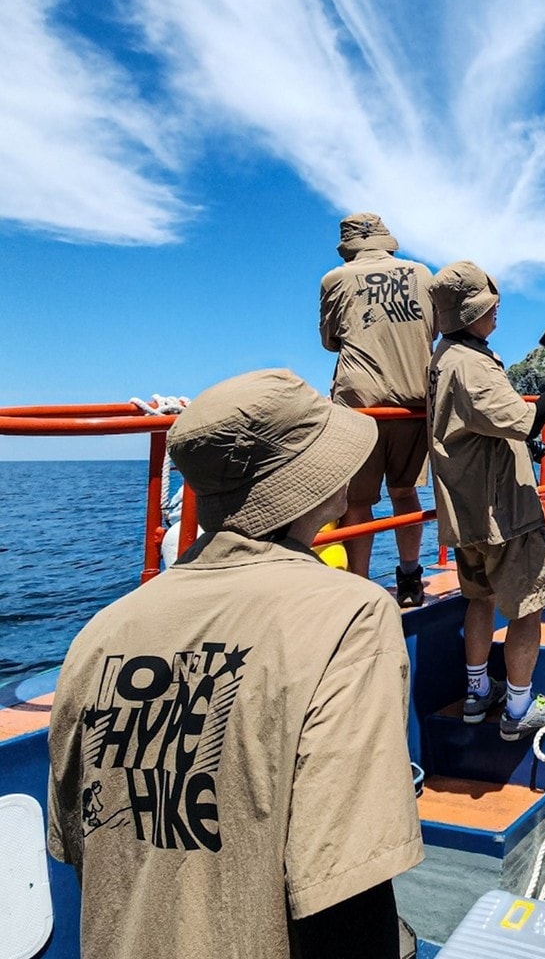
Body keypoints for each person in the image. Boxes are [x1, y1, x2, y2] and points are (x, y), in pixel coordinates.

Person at [48, 369, 424, 959]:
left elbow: (86, 847)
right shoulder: (350, 616)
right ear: (309, 481)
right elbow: (346, 890)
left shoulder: (100, 633)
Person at [426, 261, 545, 739]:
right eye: (490, 305)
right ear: (469, 314)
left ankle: (478, 693)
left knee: (479, 597)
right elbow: (526, 420)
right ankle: (518, 709)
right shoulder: (471, 364)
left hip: (467, 509)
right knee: (527, 605)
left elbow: (478, 427)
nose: (497, 311)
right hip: (503, 513)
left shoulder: (443, 357)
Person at [320, 211, 436, 606]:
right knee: (404, 492)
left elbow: (330, 340)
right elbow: (431, 330)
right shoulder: (422, 274)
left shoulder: (335, 280)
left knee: (358, 501)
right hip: (414, 402)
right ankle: (409, 579)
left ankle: (360, 586)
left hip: (361, 406)